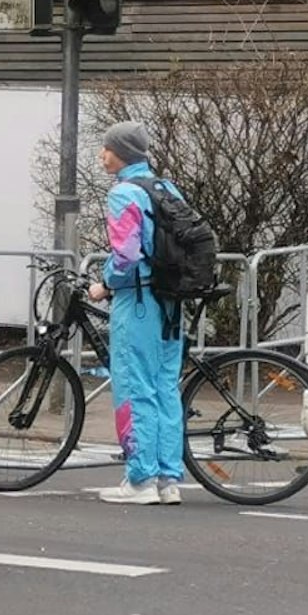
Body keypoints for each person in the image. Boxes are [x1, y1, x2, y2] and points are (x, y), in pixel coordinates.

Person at [89, 121, 188, 506]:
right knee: (165, 386)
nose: (102, 154)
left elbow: (126, 256)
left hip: (138, 300)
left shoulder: (124, 194)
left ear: (123, 152)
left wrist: (106, 283)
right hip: (170, 302)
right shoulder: (166, 188)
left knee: (133, 384)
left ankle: (139, 479)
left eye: (107, 148)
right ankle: (168, 479)